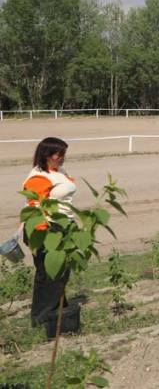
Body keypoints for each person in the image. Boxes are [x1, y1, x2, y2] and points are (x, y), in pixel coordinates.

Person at [22, 137, 76, 327]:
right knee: (47, 274)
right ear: (46, 155)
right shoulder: (38, 177)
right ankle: (41, 317)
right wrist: (45, 237)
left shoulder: (58, 171)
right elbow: (35, 207)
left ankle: (58, 310)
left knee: (61, 272)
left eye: (64, 154)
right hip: (46, 229)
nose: (62, 158)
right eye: (59, 154)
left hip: (63, 226)